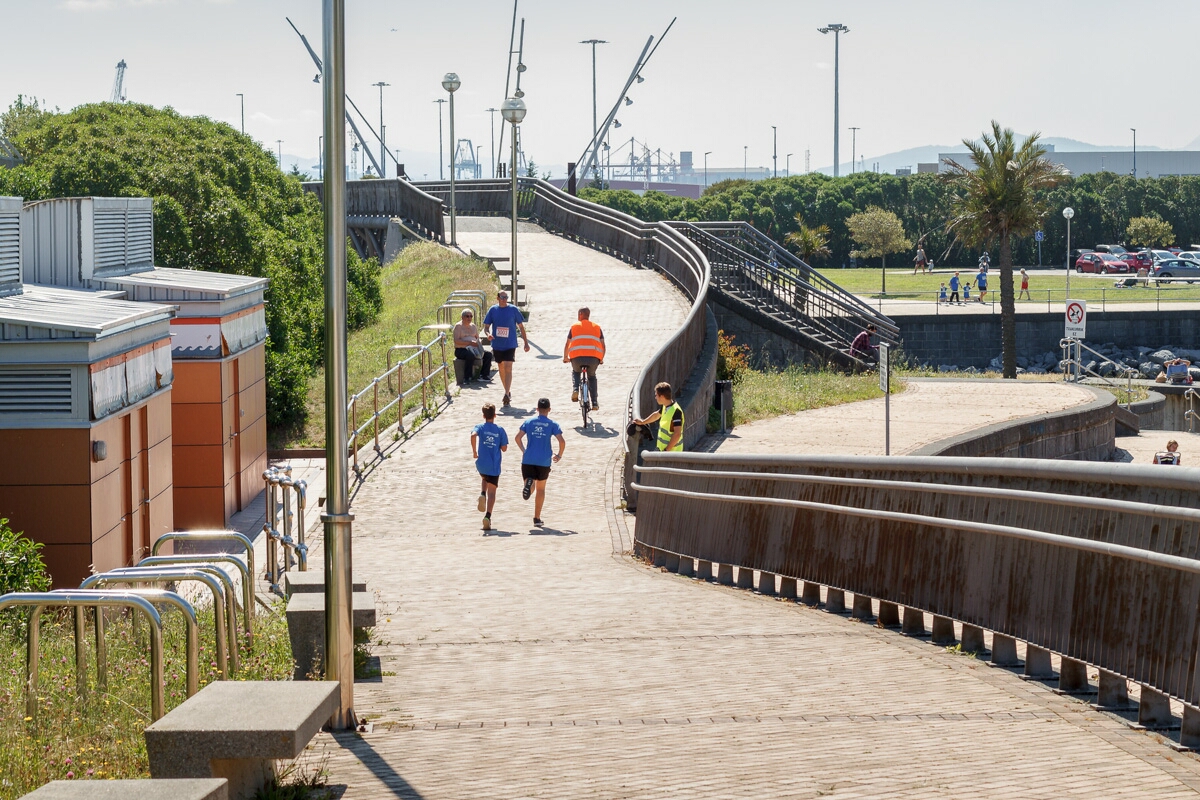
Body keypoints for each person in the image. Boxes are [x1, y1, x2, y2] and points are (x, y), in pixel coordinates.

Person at [515, 398, 566, 527]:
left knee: (529, 482)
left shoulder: (529, 422)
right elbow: (562, 441)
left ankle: (529, 484)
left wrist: (523, 450)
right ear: (549, 410)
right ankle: (537, 518)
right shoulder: (552, 424)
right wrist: (559, 455)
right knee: (541, 489)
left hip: (528, 459)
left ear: (537, 409)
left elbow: (517, 438)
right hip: (543, 460)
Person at [483, 290, 530, 406]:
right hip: (497, 344)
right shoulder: (493, 310)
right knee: (501, 367)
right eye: (502, 297)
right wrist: (488, 334)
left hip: (510, 344)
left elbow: (521, 327)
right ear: (497, 298)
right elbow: (486, 327)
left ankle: (506, 392)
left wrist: (526, 342)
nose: (504, 299)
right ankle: (507, 392)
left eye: (506, 297)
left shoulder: (513, 309)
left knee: (508, 367)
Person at [471, 403, 508, 530]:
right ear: (495, 415)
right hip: (494, 466)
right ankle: (488, 516)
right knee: (492, 493)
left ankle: (482, 493)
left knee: (484, 477)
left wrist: (474, 451)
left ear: (483, 416)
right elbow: (504, 449)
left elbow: (473, 435)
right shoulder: (500, 430)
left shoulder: (480, 427)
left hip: (481, 465)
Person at [563, 306, 605, 411]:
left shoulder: (574, 327)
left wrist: (565, 357)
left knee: (576, 372)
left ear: (581, 314)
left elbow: (567, 343)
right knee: (592, 377)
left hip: (577, 357)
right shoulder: (597, 327)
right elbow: (603, 345)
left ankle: (576, 389)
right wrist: (601, 358)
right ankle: (594, 402)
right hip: (593, 358)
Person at [633, 381, 685, 453]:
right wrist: (643, 422)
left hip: (672, 454)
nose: (655, 397)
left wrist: (666, 450)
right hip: (664, 451)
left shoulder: (676, 412)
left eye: (656, 395)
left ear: (662, 396)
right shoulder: (665, 407)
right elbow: (656, 415)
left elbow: (677, 434)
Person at [453, 310, 491, 385]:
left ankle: (484, 375)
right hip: (461, 349)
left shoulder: (473, 326)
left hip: (474, 348)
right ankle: (467, 377)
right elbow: (456, 341)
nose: (469, 318)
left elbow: (478, 337)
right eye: (467, 316)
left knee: (488, 354)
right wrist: (469, 343)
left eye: (471, 316)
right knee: (470, 355)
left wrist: (478, 342)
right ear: (462, 317)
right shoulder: (458, 326)